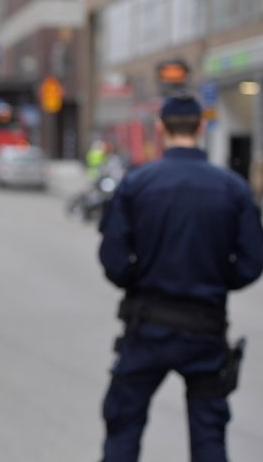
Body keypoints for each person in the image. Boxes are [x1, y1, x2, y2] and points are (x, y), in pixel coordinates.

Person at [97, 94, 263, 462]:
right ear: (201, 127)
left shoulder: (137, 183)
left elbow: (113, 260)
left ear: (160, 128)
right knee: (209, 438)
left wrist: (140, 277)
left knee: (123, 430)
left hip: (146, 329)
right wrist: (218, 279)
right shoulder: (233, 188)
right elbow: (252, 263)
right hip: (206, 330)